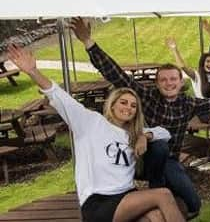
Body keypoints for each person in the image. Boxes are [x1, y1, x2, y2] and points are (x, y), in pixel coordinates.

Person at [70, 17, 210, 219]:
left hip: (171, 160)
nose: (169, 83)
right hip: (144, 160)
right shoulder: (148, 97)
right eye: (164, 80)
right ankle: (157, 190)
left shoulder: (188, 103)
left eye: (173, 79)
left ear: (180, 82)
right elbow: (116, 74)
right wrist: (89, 42)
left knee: (193, 205)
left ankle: (161, 200)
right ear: (157, 83)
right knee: (160, 146)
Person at [7, 45, 185, 222]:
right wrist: (33, 71)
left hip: (127, 196)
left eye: (133, 106)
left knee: (155, 217)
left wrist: (144, 136)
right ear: (112, 104)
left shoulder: (132, 132)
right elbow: (60, 97)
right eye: (123, 102)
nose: (128, 108)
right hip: (99, 201)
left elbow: (164, 132)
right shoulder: (90, 122)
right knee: (163, 195)